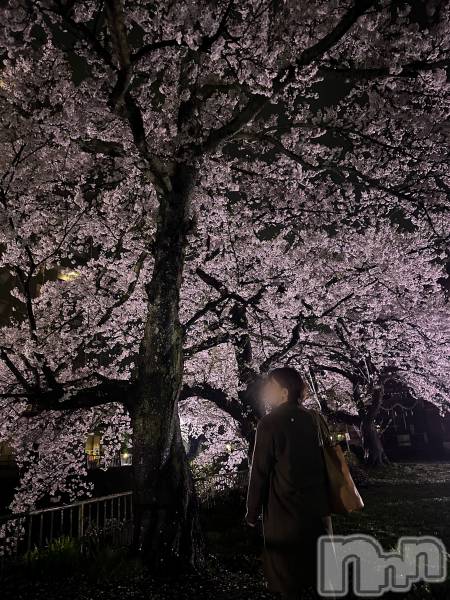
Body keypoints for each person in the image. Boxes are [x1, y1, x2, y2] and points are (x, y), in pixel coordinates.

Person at [246, 367, 333, 599]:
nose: (267, 390)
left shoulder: (270, 423)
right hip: (317, 506)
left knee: (287, 574)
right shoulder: (315, 418)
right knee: (318, 569)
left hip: (284, 508)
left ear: (284, 392)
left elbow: (260, 472)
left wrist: (252, 512)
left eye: (271, 386)